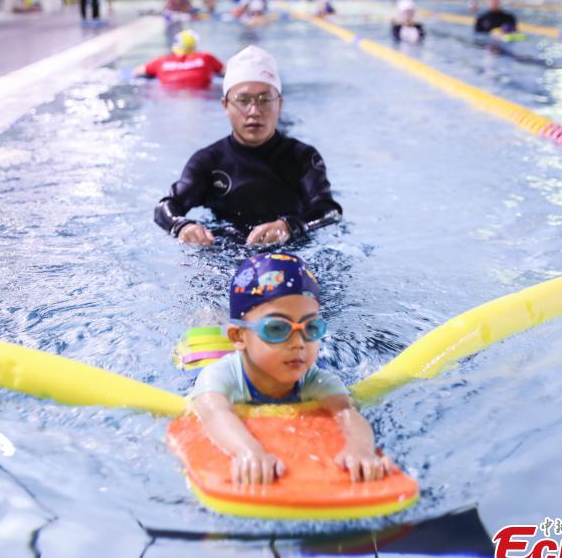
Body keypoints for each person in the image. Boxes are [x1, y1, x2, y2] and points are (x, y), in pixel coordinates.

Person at [189, 253, 399, 485]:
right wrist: (248, 451)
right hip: (211, 359)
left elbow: (347, 412)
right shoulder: (218, 377)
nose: (299, 343)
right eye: (277, 328)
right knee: (209, 323)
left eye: (311, 327)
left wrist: (360, 449)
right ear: (238, 336)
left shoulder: (316, 380)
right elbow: (215, 414)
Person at [154, 45, 343, 246]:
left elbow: (329, 210)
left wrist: (289, 226)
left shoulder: (302, 157)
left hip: (294, 252)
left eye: (265, 100)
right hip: (225, 252)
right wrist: (182, 226)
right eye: (243, 100)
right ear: (226, 106)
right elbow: (166, 207)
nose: (254, 111)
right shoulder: (208, 161)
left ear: (279, 105)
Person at [133, 30, 224, 90]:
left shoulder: (161, 61)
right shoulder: (206, 58)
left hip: (169, 96)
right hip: (201, 96)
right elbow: (226, 71)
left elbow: (136, 72)